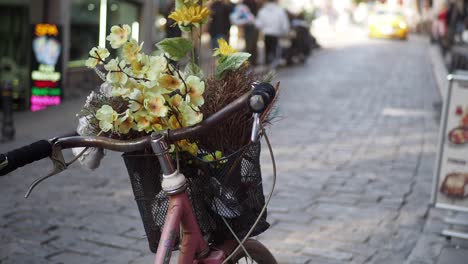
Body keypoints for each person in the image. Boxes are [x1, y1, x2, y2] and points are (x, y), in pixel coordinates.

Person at [255, 0, 290, 65]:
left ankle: (268, 63)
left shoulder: (262, 11)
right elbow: (285, 25)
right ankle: (273, 64)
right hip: (276, 34)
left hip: (266, 34)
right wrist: (285, 32)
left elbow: (258, 24)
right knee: (275, 50)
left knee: (267, 51)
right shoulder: (280, 10)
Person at [230, 0, 259, 65]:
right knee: (251, 45)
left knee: (249, 45)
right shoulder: (246, 5)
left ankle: (250, 60)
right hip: (249, 27)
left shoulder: (243, 6)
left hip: (249, 27)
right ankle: (251, 60)